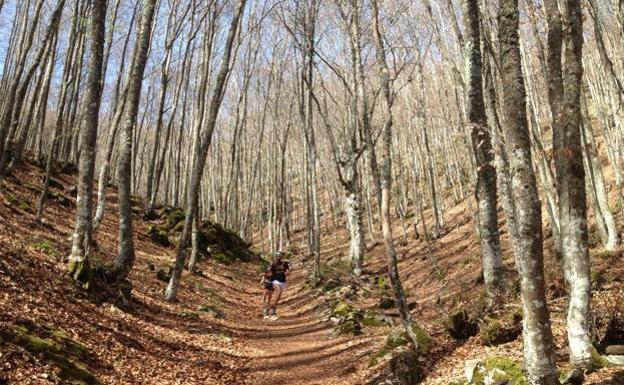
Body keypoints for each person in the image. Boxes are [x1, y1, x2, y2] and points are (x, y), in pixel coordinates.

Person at [265, 251, 289, 319]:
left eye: (279, 256)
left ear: (281, 257)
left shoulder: (285, 263)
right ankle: (270, 309)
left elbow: (287, 270)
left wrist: (286, 273)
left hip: (282, 281)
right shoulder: (273, 263)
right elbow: (269, 270)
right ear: (275, 256)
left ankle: (271, 309)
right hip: (275, 280)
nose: (278, 257)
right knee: (278, 291)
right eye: (277, 256)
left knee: (278, 297)